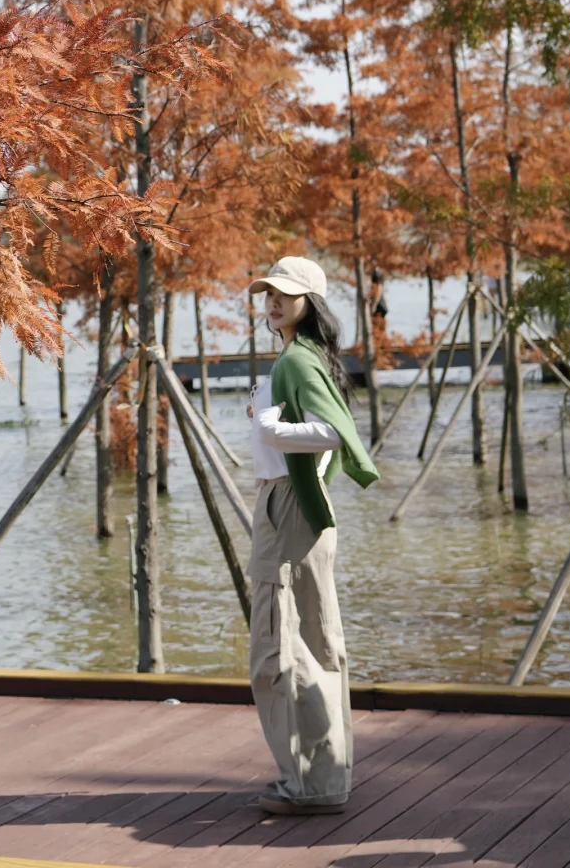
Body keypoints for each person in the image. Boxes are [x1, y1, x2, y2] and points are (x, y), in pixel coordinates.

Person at [246, 256, 379, 816]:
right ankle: (323, 778)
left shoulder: (297, 359)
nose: (273, 301)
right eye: (268, 292)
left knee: (281, 647)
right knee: (313, 642)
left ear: (311, 302)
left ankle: (309, 786)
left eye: (285, 293)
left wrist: (271, 427)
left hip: (289, 508)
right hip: (296, 505)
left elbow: (332, 433)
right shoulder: (303, 356)